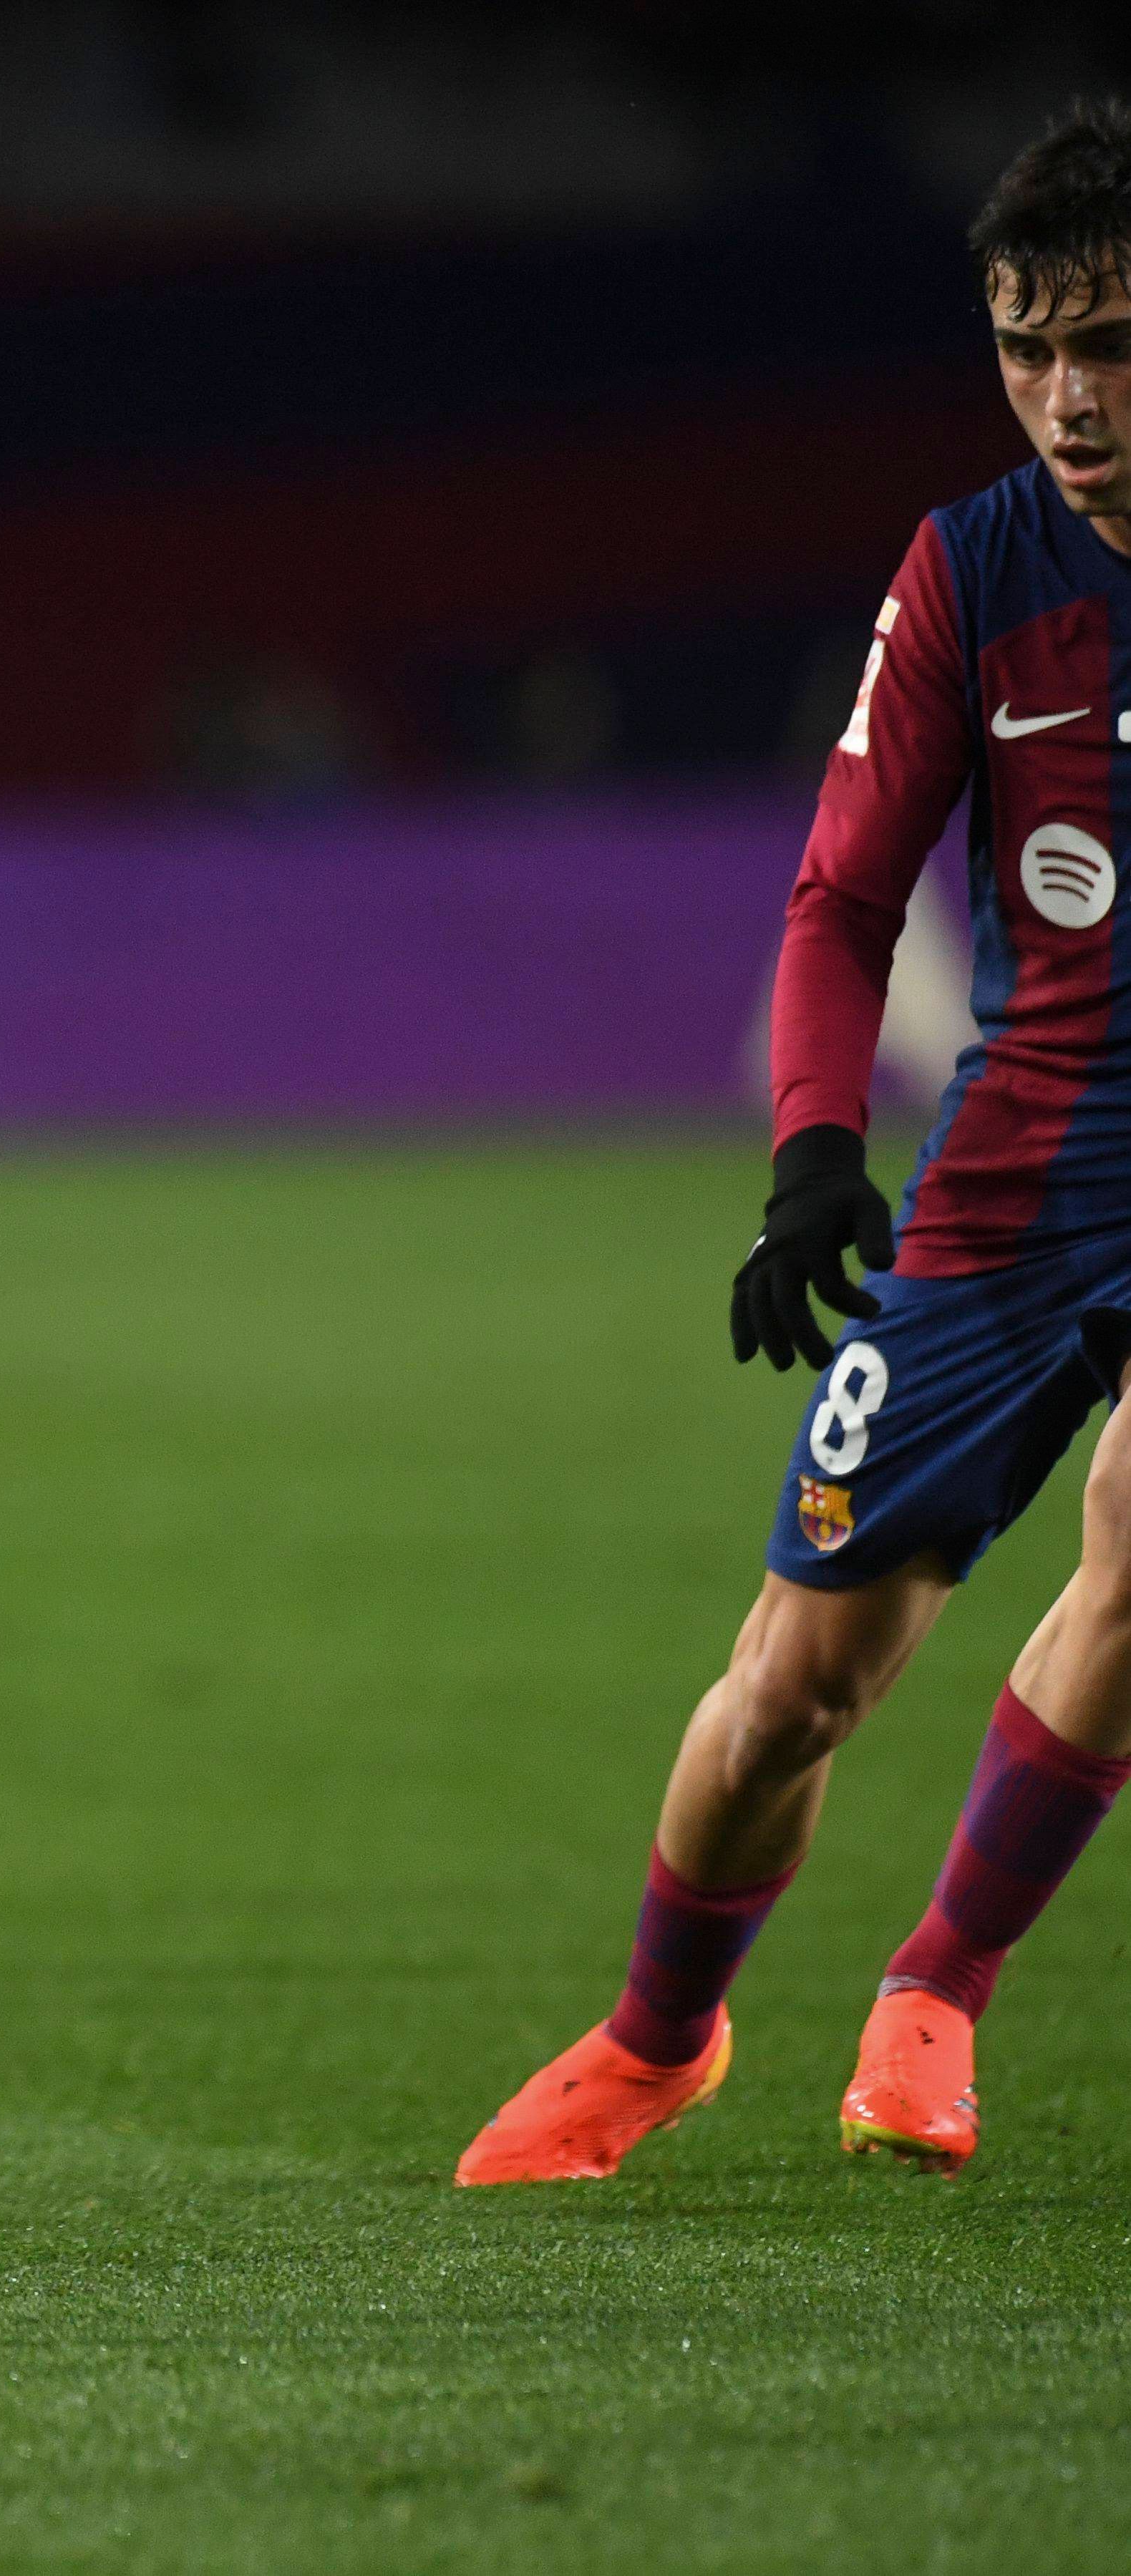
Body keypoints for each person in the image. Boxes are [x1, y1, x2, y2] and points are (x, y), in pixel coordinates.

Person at [458, 99, 1131, 2186]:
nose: (1070, 395)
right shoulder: (974, 567)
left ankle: (936, 1991)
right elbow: (845, 899)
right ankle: (660, 2038)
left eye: (1110, 341)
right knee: (792, 1693)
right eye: (1028, 349)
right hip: (1023, 1175)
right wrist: (816, 1153)